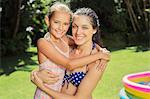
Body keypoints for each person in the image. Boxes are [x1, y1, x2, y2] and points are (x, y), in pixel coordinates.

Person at [33, 2, 110, 99]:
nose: (78, 32)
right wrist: (35, 74)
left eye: (84, 27)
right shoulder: (68, 45)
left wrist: (101, 52)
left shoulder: (96, 62)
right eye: (74, 26)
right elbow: (65, 64)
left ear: (94, 29)